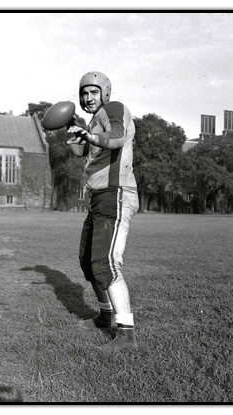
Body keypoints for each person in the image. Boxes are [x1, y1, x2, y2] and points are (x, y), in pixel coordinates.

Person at [67, 71, 139, 352]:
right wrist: (75, 127)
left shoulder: (115, 109)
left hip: (116, 194)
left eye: (93, 92)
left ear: (105, 92)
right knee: (88, 262)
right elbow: (80, 152)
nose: (87, 98)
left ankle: (127, 334)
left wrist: (91, 135)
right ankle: (105, 316)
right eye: (84, 93)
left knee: (106, 264)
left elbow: (117, 137)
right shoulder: (95, 121)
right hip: (98, 197)